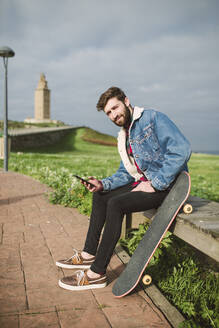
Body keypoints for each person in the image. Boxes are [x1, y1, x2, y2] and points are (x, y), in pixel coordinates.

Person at [56, 86, 191, 291]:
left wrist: (155, 183)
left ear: (126, 101)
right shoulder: (123, 136)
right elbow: (126, 172)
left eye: (115, 108)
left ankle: (97, 274)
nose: (113, 115)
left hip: (167, 186)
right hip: (144, 183)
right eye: (109, 113)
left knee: (116, 204)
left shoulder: (152, 118)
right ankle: (88, 254)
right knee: (102, 195)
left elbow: (181, 150)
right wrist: (103, 184)